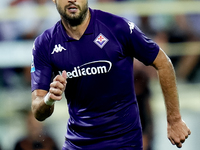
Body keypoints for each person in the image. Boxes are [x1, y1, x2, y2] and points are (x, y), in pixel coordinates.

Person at [31, 0, 191, 149]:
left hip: (124, 143)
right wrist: (49, 99)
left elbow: (163, 63)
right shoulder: (44, 44)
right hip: (78, 144)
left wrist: (174, 120)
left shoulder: (117, 27)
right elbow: (37, 109)